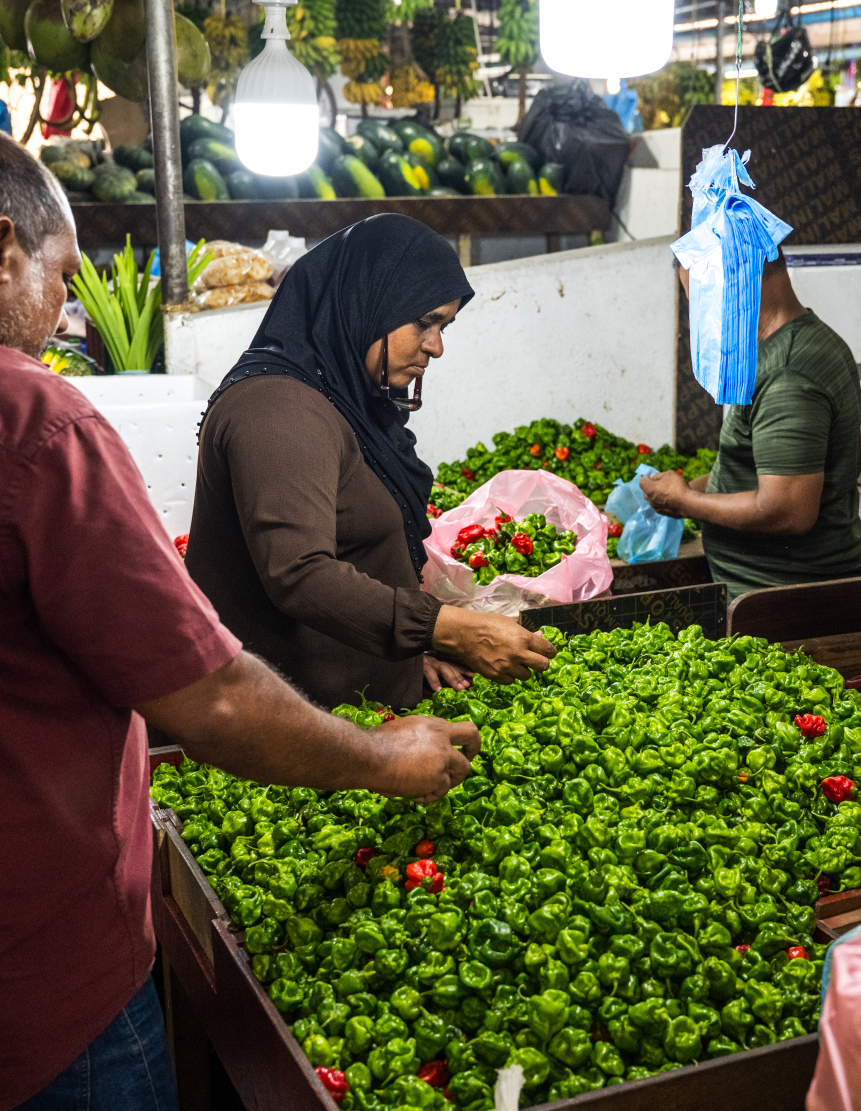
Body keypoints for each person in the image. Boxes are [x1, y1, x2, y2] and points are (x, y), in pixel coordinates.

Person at [0, 137, 479, 1111]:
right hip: (45, 978)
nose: (64, 314)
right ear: (2, 248)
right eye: (61, 277)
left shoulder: (352, 407)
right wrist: (393, 746)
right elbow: (218, 687)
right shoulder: (37, 425)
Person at [186, 214, 555, 711]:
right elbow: (300, 573)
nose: (436, 347)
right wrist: (446, 630)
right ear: (365, 302)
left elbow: (358, 558)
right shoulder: (278, 410)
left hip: (356, 722)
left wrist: (404, 656)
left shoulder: (342, 402)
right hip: (291, 739)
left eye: (444, 326)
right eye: (423, 322)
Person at [641, 248, 861, 597]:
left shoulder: (789, 374)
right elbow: (765, 469)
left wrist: (685, 504)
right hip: (776, 593)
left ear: (738, 282)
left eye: (702, 300)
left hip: (796, 600)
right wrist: (691, 489)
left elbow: (788, 511)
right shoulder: (803, 340)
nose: (700, 319)